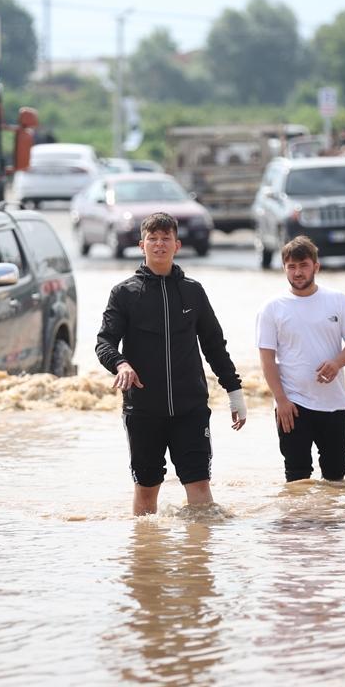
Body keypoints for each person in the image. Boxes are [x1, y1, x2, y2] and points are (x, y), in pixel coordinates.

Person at [96, 212, 247, 516]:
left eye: (166, 238)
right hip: (143, 410)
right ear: (142, 245)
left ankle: (198, 559)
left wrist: (235, 392)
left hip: (190, 409)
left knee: (200, 487)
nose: (159, 244)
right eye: (153, 238)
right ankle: (146, 556)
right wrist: (121, 364)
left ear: (177, 245)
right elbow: (104, 342)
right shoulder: (124, 293)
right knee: (146, 489)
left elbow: (215, 346)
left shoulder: (193, 291)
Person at [256, 236, 345, 483]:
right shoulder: (272, 307)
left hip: (334, 403)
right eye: (291, 266)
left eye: (303, 265)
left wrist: (337, 363)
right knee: (297, 477)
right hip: (293, 404)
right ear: (284, 268)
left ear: (316, 266)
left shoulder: (337, 299)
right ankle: (300, 522)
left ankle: (329, 520)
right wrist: (281, 399)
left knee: (336, 476)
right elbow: (266, 358)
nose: (297, 272)